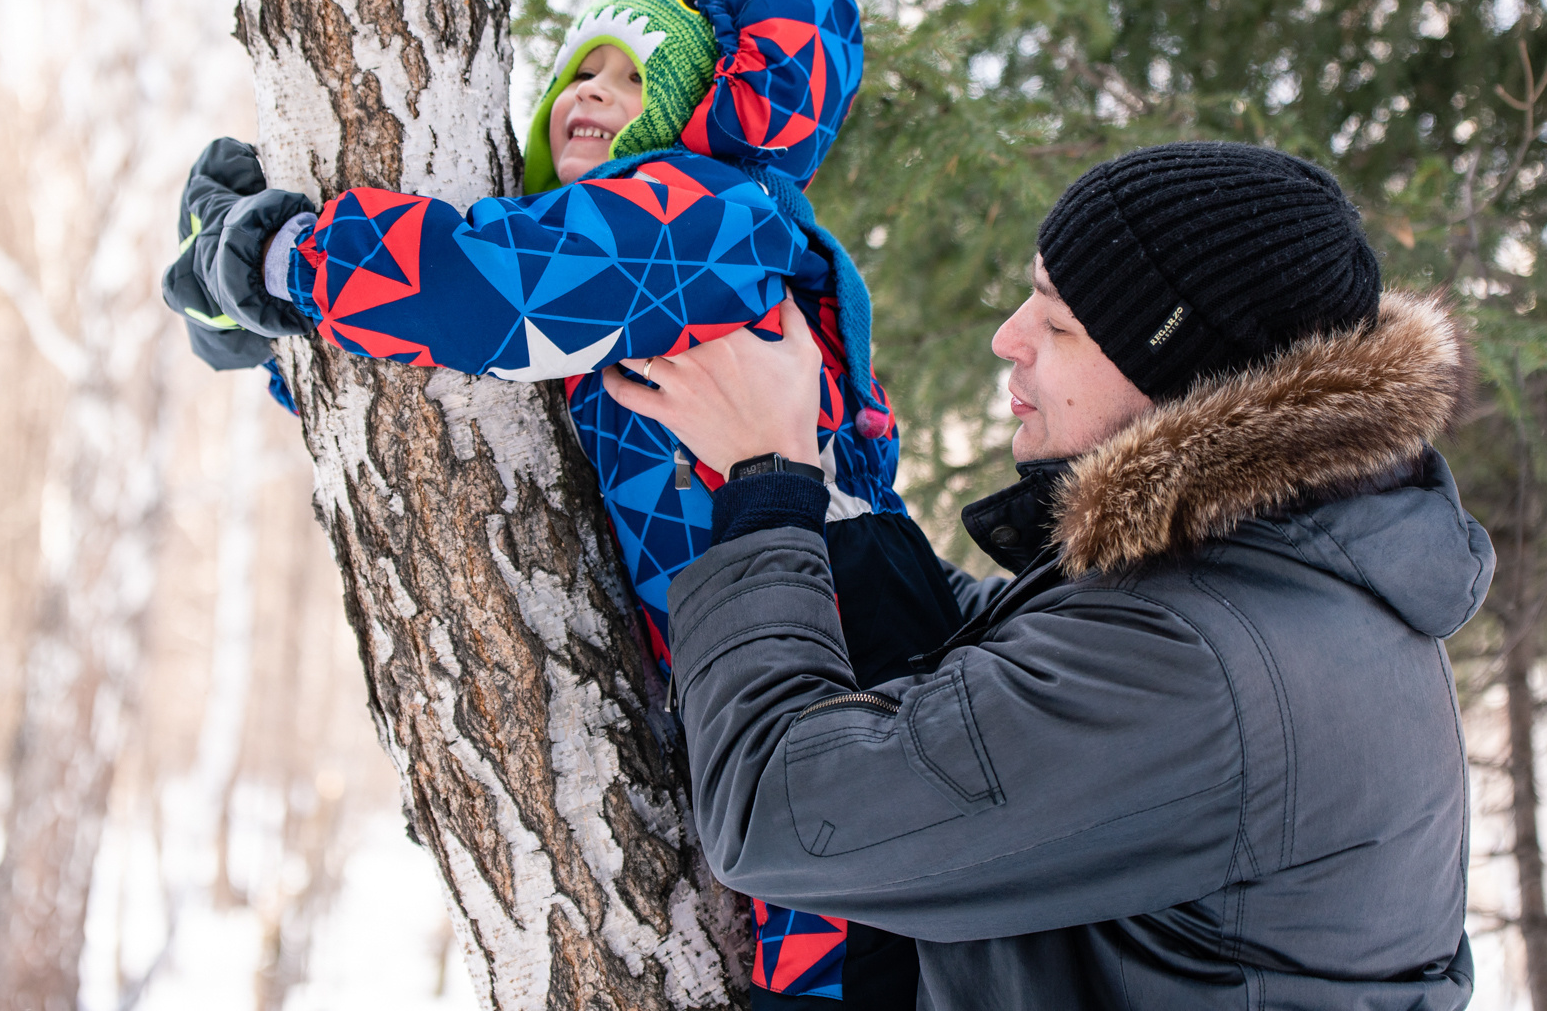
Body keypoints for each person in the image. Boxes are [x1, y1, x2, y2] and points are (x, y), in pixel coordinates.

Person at [161, 0, 965, 1008]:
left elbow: (491, 294)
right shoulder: (642, 277)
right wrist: (281, 359)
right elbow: (485, 390)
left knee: (828, 941)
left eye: (642, 76)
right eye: (585, 66)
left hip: (832, 668)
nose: (595, 90)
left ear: (708, 108)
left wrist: (279, 262)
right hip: (771, 670)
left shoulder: (711, 218)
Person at [607, 141, 1494, 1010]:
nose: (1009, 339)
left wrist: (769, 485)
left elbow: (777, 814)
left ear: (1179, 378)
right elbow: (1029, 677)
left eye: (1057, 321)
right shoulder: (1288, 574)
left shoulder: (1202, 671)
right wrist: (837, 503)